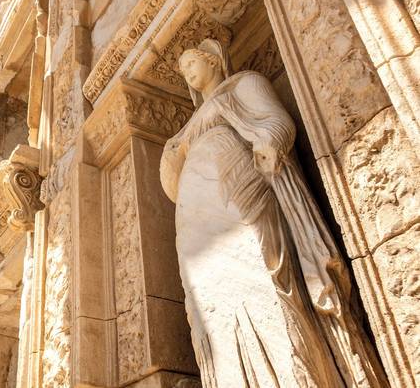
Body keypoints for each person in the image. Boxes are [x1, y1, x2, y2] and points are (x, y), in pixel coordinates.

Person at [160, 39, 386, 387]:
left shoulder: (244, 84)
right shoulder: (186, 127)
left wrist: (269, 143)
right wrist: (173, 154)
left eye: (191, 62)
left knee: (263, 273)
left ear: (213, 60)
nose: (186, 72)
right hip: (196, 220)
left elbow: (277, 123)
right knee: (211, 299)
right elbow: (172, 188)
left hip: (241, 194)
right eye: (182, 69)